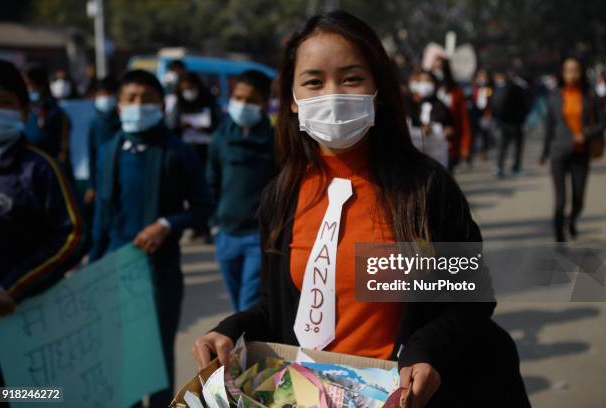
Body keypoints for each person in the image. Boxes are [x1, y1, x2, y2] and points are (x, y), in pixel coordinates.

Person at [192, 11, 529, 407]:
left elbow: (471, 298)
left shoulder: (423, 189)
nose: (332, 94)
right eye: (314, 82)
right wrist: (232, 328)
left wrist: (426, 349)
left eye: (351, 78)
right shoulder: (280, 195)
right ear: (293, 101)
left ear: (379, 90)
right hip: (308, 394)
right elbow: (279, 304)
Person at [89, 70, 212, 406]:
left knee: (155, 356)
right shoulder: (109, 150)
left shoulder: (177, 152)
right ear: (118, 106)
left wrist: (167, 224)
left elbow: (202, 207)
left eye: (147, 99)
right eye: (130, 99)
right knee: (122, 355)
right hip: (116, 267)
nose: (138, 105)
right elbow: (101, 215)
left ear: (161, 104)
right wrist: (92, 267)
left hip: (160, 271)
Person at [0, 58, 86, 397]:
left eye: (2, 102)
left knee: (21, 395)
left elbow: (73, 236)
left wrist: (12, 287)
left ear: (22, 110)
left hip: (24, 317)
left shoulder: (40, 168)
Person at [206, 70, 277, 312]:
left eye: (251, 100)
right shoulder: (220, 138)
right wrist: (214, 223)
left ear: (265, 104)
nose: (242, 105)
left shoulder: (275, 141)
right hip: (226, 234)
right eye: (238, 98)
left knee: (249, 303)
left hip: (257, 236)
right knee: (238, 304)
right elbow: (211, 182)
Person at [541, 57, 605, 242]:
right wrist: (544, 153)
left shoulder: (590, 95)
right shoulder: (553, 96)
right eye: (568, 70)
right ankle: (559, 238)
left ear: (581, 72)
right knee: (560, 201)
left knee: (578, 199)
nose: (572, 74)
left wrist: (586, 135)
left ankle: (571, 221)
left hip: (581, 152)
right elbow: (549, 127)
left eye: (575, 69)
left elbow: (602, 123)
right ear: (562, 72)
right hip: (558, 152)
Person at [23, 64, 73, 176]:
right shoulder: (22, 109)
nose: (26, 89)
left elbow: (63, 149)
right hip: (24, 168)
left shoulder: (55, 112)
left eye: (29, 85)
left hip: (47, 170)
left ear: (41, 86)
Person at [431, 56, 472, 173]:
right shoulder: (428, 92)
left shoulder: (456, 93)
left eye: (439, 67)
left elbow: (464, 121)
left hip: (449, 145)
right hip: (429, 144)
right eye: (434, 67)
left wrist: (465, 146)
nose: (436, 71)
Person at [171, 72, 221, 167]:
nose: (188, 91)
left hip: (206, 151)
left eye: (191, 88)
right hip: (183, 150)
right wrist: (180, 127)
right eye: (185, 89)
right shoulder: (178, 104)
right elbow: (171, 126)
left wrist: (207, 129)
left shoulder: (209, 101)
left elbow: (219, 124)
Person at [85, 76, 121, 207]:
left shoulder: (125, 121)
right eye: (101, 94)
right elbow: (92, 154)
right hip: (102, 179)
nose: (105, 98)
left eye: (109, 94)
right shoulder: (95, 123)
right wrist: (91, 185)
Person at [406, 69, 453, 167]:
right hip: (417, 155)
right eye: (421, 81)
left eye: (427, 81)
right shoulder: (411, 105)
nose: (424, 84)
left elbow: (450, 127)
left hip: (437, 155)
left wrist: (443, 130)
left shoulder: (441, 106)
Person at [491, 70, 531, 177]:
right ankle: (515, 168)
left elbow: (494, 106)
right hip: (516, 122)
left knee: (503, 146)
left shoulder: (500, 89)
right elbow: (524, 105)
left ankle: (499, 166)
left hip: (504, 122)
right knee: (517, 146)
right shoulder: (518, 88)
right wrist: (523, 118)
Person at [469, 68, 493, 161]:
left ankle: (483, 152)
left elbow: (490, 101)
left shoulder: (489, 88)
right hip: (474, 114)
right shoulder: (473, 88)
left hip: (485, 114)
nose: (482, 78)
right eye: (480, 76)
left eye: (484, 76)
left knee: (484, 135)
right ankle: (470, 153)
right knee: (473, 134)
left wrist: (489, 114)